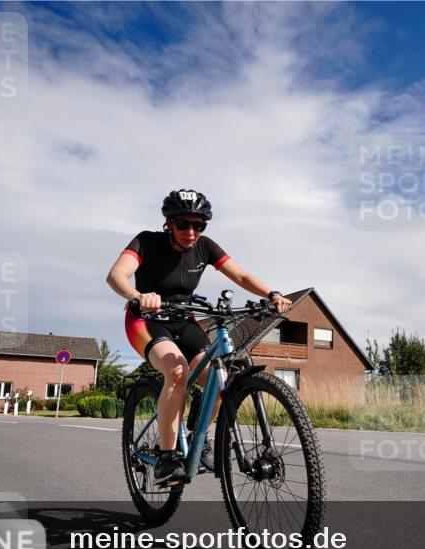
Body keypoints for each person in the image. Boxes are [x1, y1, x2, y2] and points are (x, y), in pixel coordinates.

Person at [106, 189, 292, 485]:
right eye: (184, 224)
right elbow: (116, 275)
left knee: (220, 381)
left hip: (185, 320)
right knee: (177, 371)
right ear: (169, 222)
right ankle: (167, 458)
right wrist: (138, 296)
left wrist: (272, 294)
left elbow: (241, 276)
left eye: (199, 225)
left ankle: (198, 437)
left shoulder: (204, 246)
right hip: (146, 320)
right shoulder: (147, 241)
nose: (191, 232)